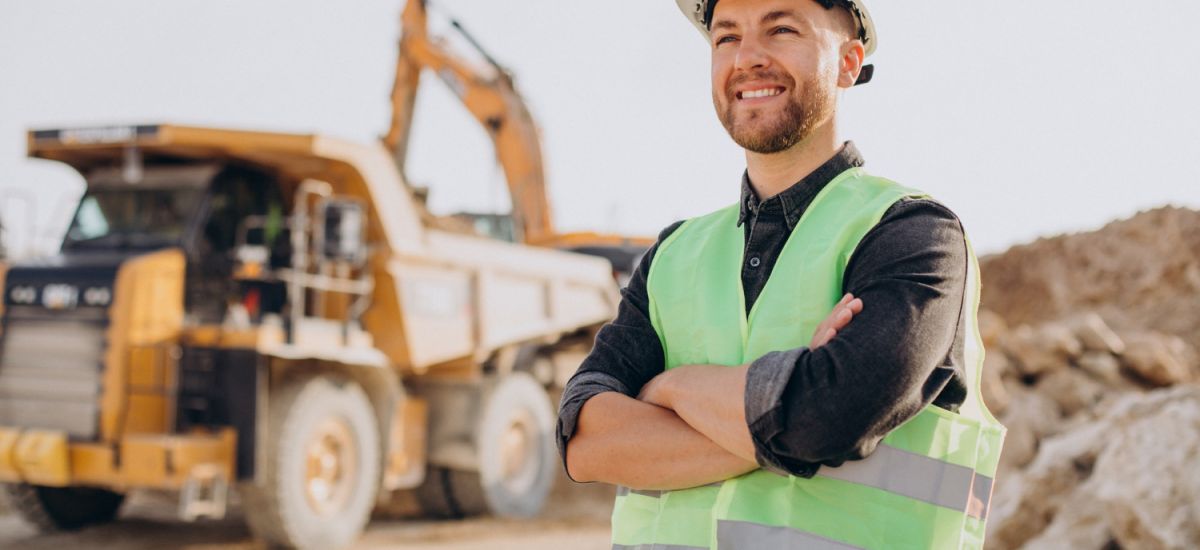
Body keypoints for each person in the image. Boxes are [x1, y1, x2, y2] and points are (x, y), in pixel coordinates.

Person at [556, 1, 1006, 548]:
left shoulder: (913, 235)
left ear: (847, 62)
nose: (747, 58)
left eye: (782, 29)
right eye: (726, 38)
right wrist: (784, 411)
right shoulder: (674, 254)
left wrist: (670, 387)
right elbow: (584, 442)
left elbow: (825, 420)